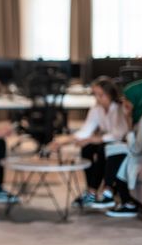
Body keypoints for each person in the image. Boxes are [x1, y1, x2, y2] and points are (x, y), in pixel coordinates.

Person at [48, 77, 129, 208]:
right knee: (87, 148)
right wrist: (65, 141)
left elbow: (118, 134)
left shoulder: (119, 108)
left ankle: (93, 190)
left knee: (101, 148)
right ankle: (91, 190)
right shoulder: (97, 109)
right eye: (95, 94)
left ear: (110, 94)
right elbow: (85, 131)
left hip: (119, 143)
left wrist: (92, 138)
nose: (97, 98)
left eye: (101, 95)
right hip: (106, 141)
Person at [106, 79, 142, 218]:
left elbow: (136, 149)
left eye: (127, 99)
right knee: (115, 150)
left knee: (120, 157)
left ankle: (122, 200)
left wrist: (129, 120)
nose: (124, 104)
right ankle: (112, 194)